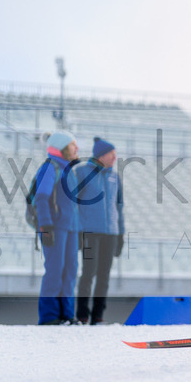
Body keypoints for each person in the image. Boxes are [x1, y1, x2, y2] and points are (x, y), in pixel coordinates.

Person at [74, 137, 125, 325]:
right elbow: (74, 203)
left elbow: (119, 207)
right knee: (88, 273)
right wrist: (78, 231)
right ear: (101, 155)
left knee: (104, 275)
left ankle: (98, 315)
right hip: (89, 233)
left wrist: (121, 234)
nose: (115, 158)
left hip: (110, 233)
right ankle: (82, 314)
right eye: (112, 154)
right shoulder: (81, 172)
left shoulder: (115, 177)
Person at [34, 130, 81, 325]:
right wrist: (45, 226)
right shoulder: (49, 168)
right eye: (72, 145)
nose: (77, 148)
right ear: (62, 148)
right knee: (55, 270)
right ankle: (50, 316)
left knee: (70, 270)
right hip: (54, 228)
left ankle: (67, 314)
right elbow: (41, 198)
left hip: (71, 228)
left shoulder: (69, 171)